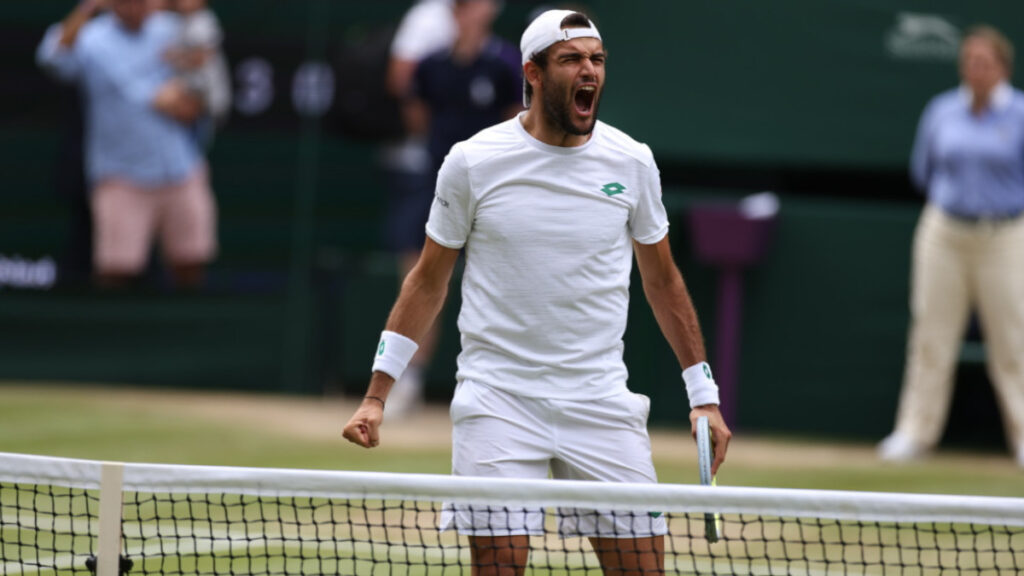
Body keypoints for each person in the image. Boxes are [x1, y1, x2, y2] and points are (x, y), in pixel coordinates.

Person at [344, 9, 732, 575]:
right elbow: (428, 280)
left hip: (600, 400)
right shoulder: (473, 162)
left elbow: (662, 280)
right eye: (572, 59)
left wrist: (703, 395)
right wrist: (377, 394)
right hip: (497, 400)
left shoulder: (633, 162)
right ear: (533, 71)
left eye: (597, 60)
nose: (589, 71)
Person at [878, 25, 1024, 468]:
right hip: (943, 233)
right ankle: (915, 433)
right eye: (969, 61)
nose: (976, 70)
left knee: (1014, 339)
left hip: (1005, 235)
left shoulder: (1020, 113)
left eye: (985, 62)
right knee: (930, 335)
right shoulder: (941, 110)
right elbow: (923, 170)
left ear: (1003, 67)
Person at [383, 0, 524, 419]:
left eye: (475, 5)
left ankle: (506, 393)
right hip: (435, 189)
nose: (468, 12)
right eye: (461, 6)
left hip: (493, 195)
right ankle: (406, 384)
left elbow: (517, 123)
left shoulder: (504, 65)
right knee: (419, 283)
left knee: (501, 291)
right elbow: (417, 116)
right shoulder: (429, 67)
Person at [36, 0, 217, 290]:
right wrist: (86, 9)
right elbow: (51, 59)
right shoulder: (91, 38)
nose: (135, 7)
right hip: (119, 174)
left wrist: (189, 100)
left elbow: (208, 82)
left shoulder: (174, 30)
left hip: (181, 170)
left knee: (191, 263)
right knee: (116, 271)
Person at [378, 0, 458, 418]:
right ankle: (405, 383)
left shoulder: (497, 60)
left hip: (481, 179)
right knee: (422, 278)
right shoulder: (427, 20)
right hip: (427, 175)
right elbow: (402, 81)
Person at [165, 0, 231, 148]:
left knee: (191, 152)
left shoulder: (203, 20)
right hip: (185, 101)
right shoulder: (177, 20)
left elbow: (200, 58)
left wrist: (173, 58)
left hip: (204, 103)